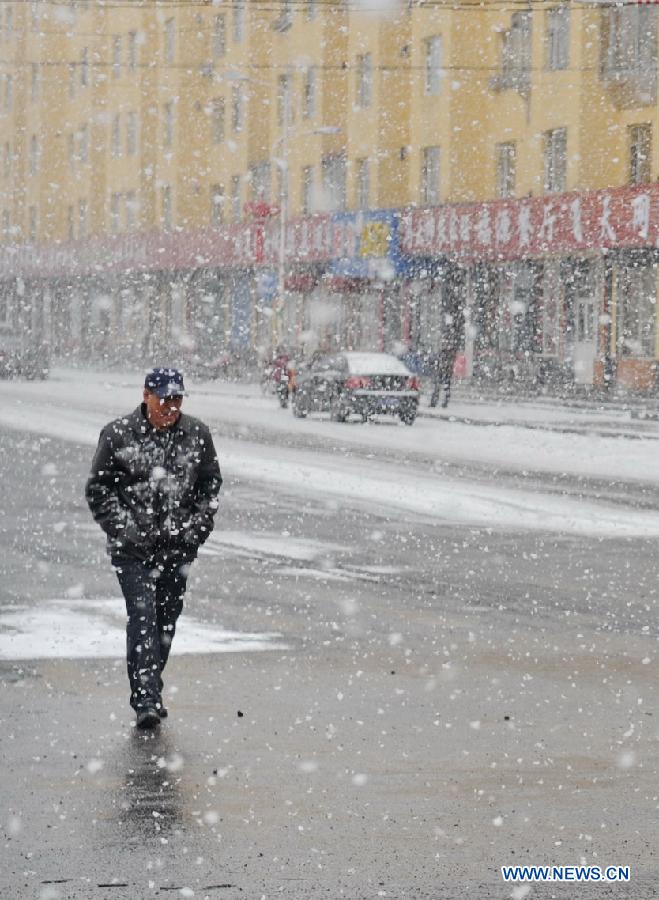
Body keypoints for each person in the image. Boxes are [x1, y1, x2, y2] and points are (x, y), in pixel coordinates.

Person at [86, 367, 222, 729]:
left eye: (177, 399)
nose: (171, 407)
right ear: (146, 395)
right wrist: (125, 530)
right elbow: (99, 491)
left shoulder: (197, 435)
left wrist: (194, 531)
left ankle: (151, 685)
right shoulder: (118, 436)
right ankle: (145, 698)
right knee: (143, 618)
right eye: (164, 399)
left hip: (177, 550)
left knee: (165, 623)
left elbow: (210, 489)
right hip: (133, 552)